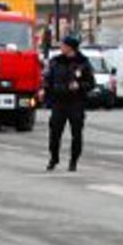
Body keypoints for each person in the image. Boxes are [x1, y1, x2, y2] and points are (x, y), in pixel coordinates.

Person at [45, 35, 95, 172]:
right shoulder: (56, 61)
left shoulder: (83, 63)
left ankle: (73, 161)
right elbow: (48, 80)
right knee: (55, 132)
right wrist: (48, 95)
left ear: (70, 47)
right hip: (59, 102)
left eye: (63, 45)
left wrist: (79, 86)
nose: (61, 47)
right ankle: (53, 157)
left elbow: (91, 83)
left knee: (76, 134)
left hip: (76, 103)